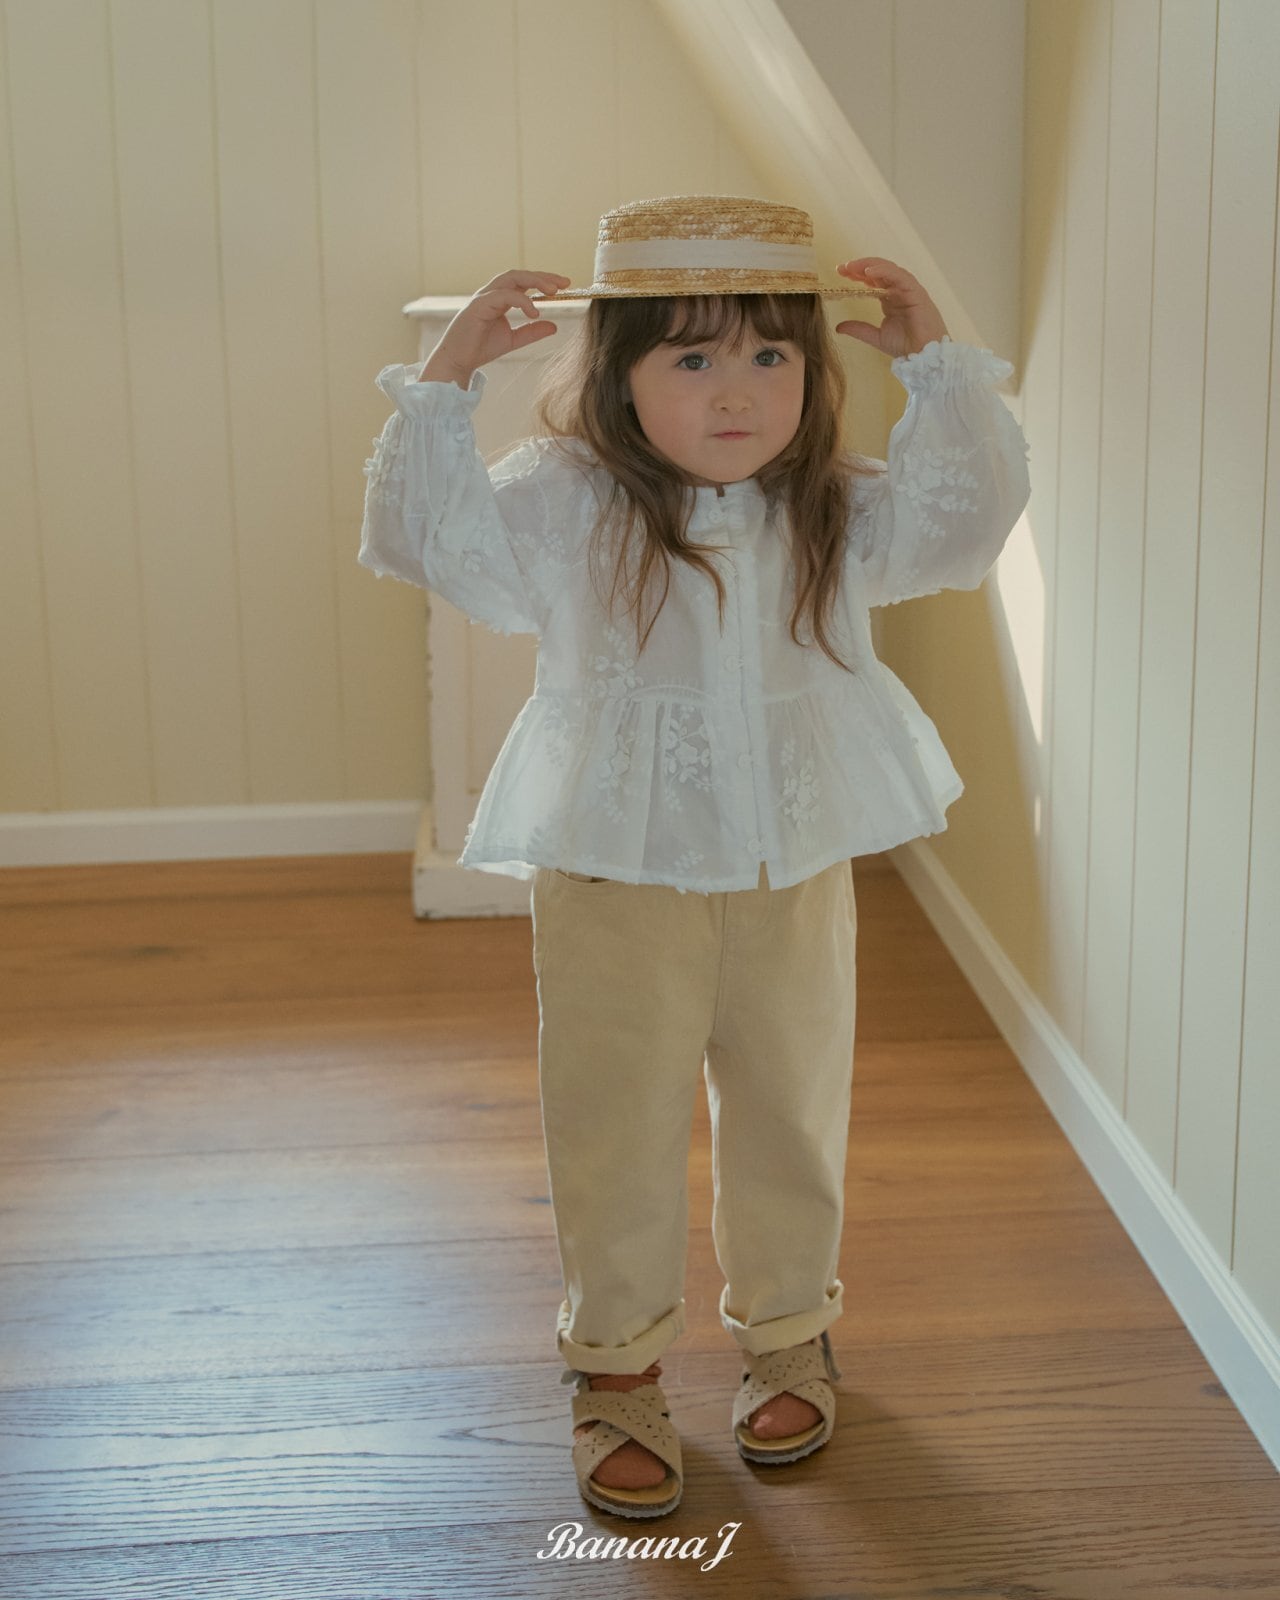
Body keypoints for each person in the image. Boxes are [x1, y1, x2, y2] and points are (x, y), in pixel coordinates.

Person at [359, 194, 1031, 1520]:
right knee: (612, 1121)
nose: (737, 392)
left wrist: (939, 370)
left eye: (771, 355)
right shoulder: (566, 500)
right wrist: (445, 384)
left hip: (793, 867)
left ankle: (790, 1330)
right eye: (693, 356)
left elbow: (966, 525)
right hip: (617, 873)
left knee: (792, 1106)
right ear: (619, 373)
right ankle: (615, 1365)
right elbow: (430, 545)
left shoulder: (831, 504)